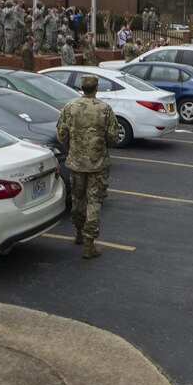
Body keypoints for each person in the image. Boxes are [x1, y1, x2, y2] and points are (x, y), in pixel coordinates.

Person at [56, 74, 118, 259]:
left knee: (78, 199)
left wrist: (73, 146)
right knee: (94, 202)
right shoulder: (105, 109)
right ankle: (89, 244)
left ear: (82, 88)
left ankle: (78, 233)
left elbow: (61, 134)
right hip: (97, 164)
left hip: (76, 163)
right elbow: (113, 137)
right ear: (96, 88)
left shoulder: (70, 107)